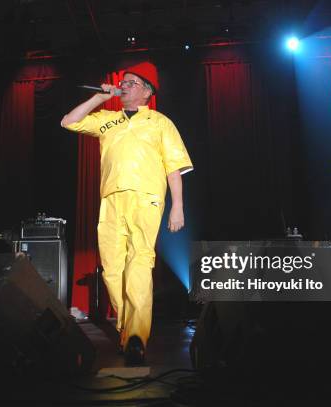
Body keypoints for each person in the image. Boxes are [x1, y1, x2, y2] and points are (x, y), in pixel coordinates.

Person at [61, 62, 193, 364]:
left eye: (132, 83)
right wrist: (99, 98)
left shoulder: (160, 122)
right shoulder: (107, 119)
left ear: (147, 91)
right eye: (123, 81)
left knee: (138, 264)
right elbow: (68, 122)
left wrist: (178, 207)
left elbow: (174, 167)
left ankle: (136, 336)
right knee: (111, 269)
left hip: (146, 197)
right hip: (111, 198)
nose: (125, 86)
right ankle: (125, 326)